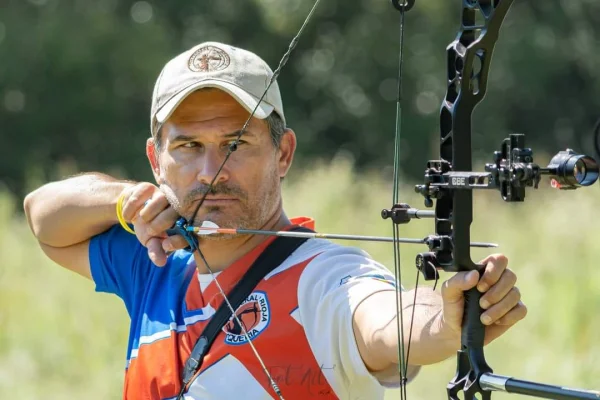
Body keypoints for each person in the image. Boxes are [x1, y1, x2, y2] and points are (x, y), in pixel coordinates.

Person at [23, 42, 527, 399]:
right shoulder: (153, 264)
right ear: (156, 161)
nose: (209, 171)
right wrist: (125, 200)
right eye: (188, 146)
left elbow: (384, 321)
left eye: (235, 144)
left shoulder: (325, 278)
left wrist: (445, 321)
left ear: (283, 153)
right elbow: (43, 217)